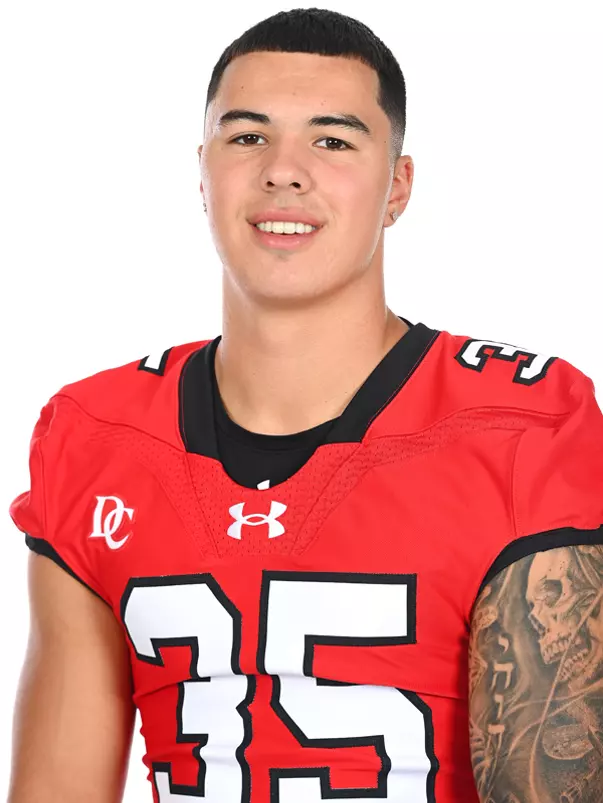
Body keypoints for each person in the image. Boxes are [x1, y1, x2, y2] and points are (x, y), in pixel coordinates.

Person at [7, 7, 603, 803]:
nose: (283, 170)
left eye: (332, 139)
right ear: (202, 171)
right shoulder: (96, 433)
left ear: (396, 185)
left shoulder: (522, 425)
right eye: (247, 136)